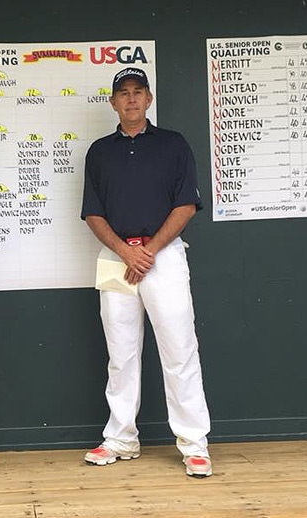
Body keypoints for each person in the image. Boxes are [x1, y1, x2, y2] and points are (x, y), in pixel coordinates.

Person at [80, 67, 212, 477]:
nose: (131, 99)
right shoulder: (99, 151)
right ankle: (121, 438)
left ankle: (194, 444)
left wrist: (149, 251)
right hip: (116, 258)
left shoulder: (173, 145)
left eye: (138, 92)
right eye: (124, 93)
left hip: (164, 257)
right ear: (114, 102)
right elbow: (93, 213)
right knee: (121, 354)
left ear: (149, 99)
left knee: (179, 350)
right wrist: (125, 251)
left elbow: (186, 205)